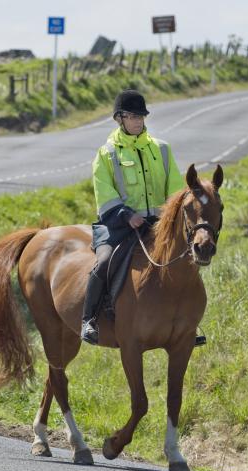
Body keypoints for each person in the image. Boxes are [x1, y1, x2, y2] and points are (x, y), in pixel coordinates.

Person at [81, 89, 183, 345]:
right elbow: (104, 193)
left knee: (183, 259)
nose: (138, 121)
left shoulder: (162, 149)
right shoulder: (107, 154)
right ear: (119, 118)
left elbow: (176, 190)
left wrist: (168, 217)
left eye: (141, 116)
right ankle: (89, 319)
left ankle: (187, 322)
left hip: (158, 224)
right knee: (104, 262)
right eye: (132, 116)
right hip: (119, 224)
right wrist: (126, 214)